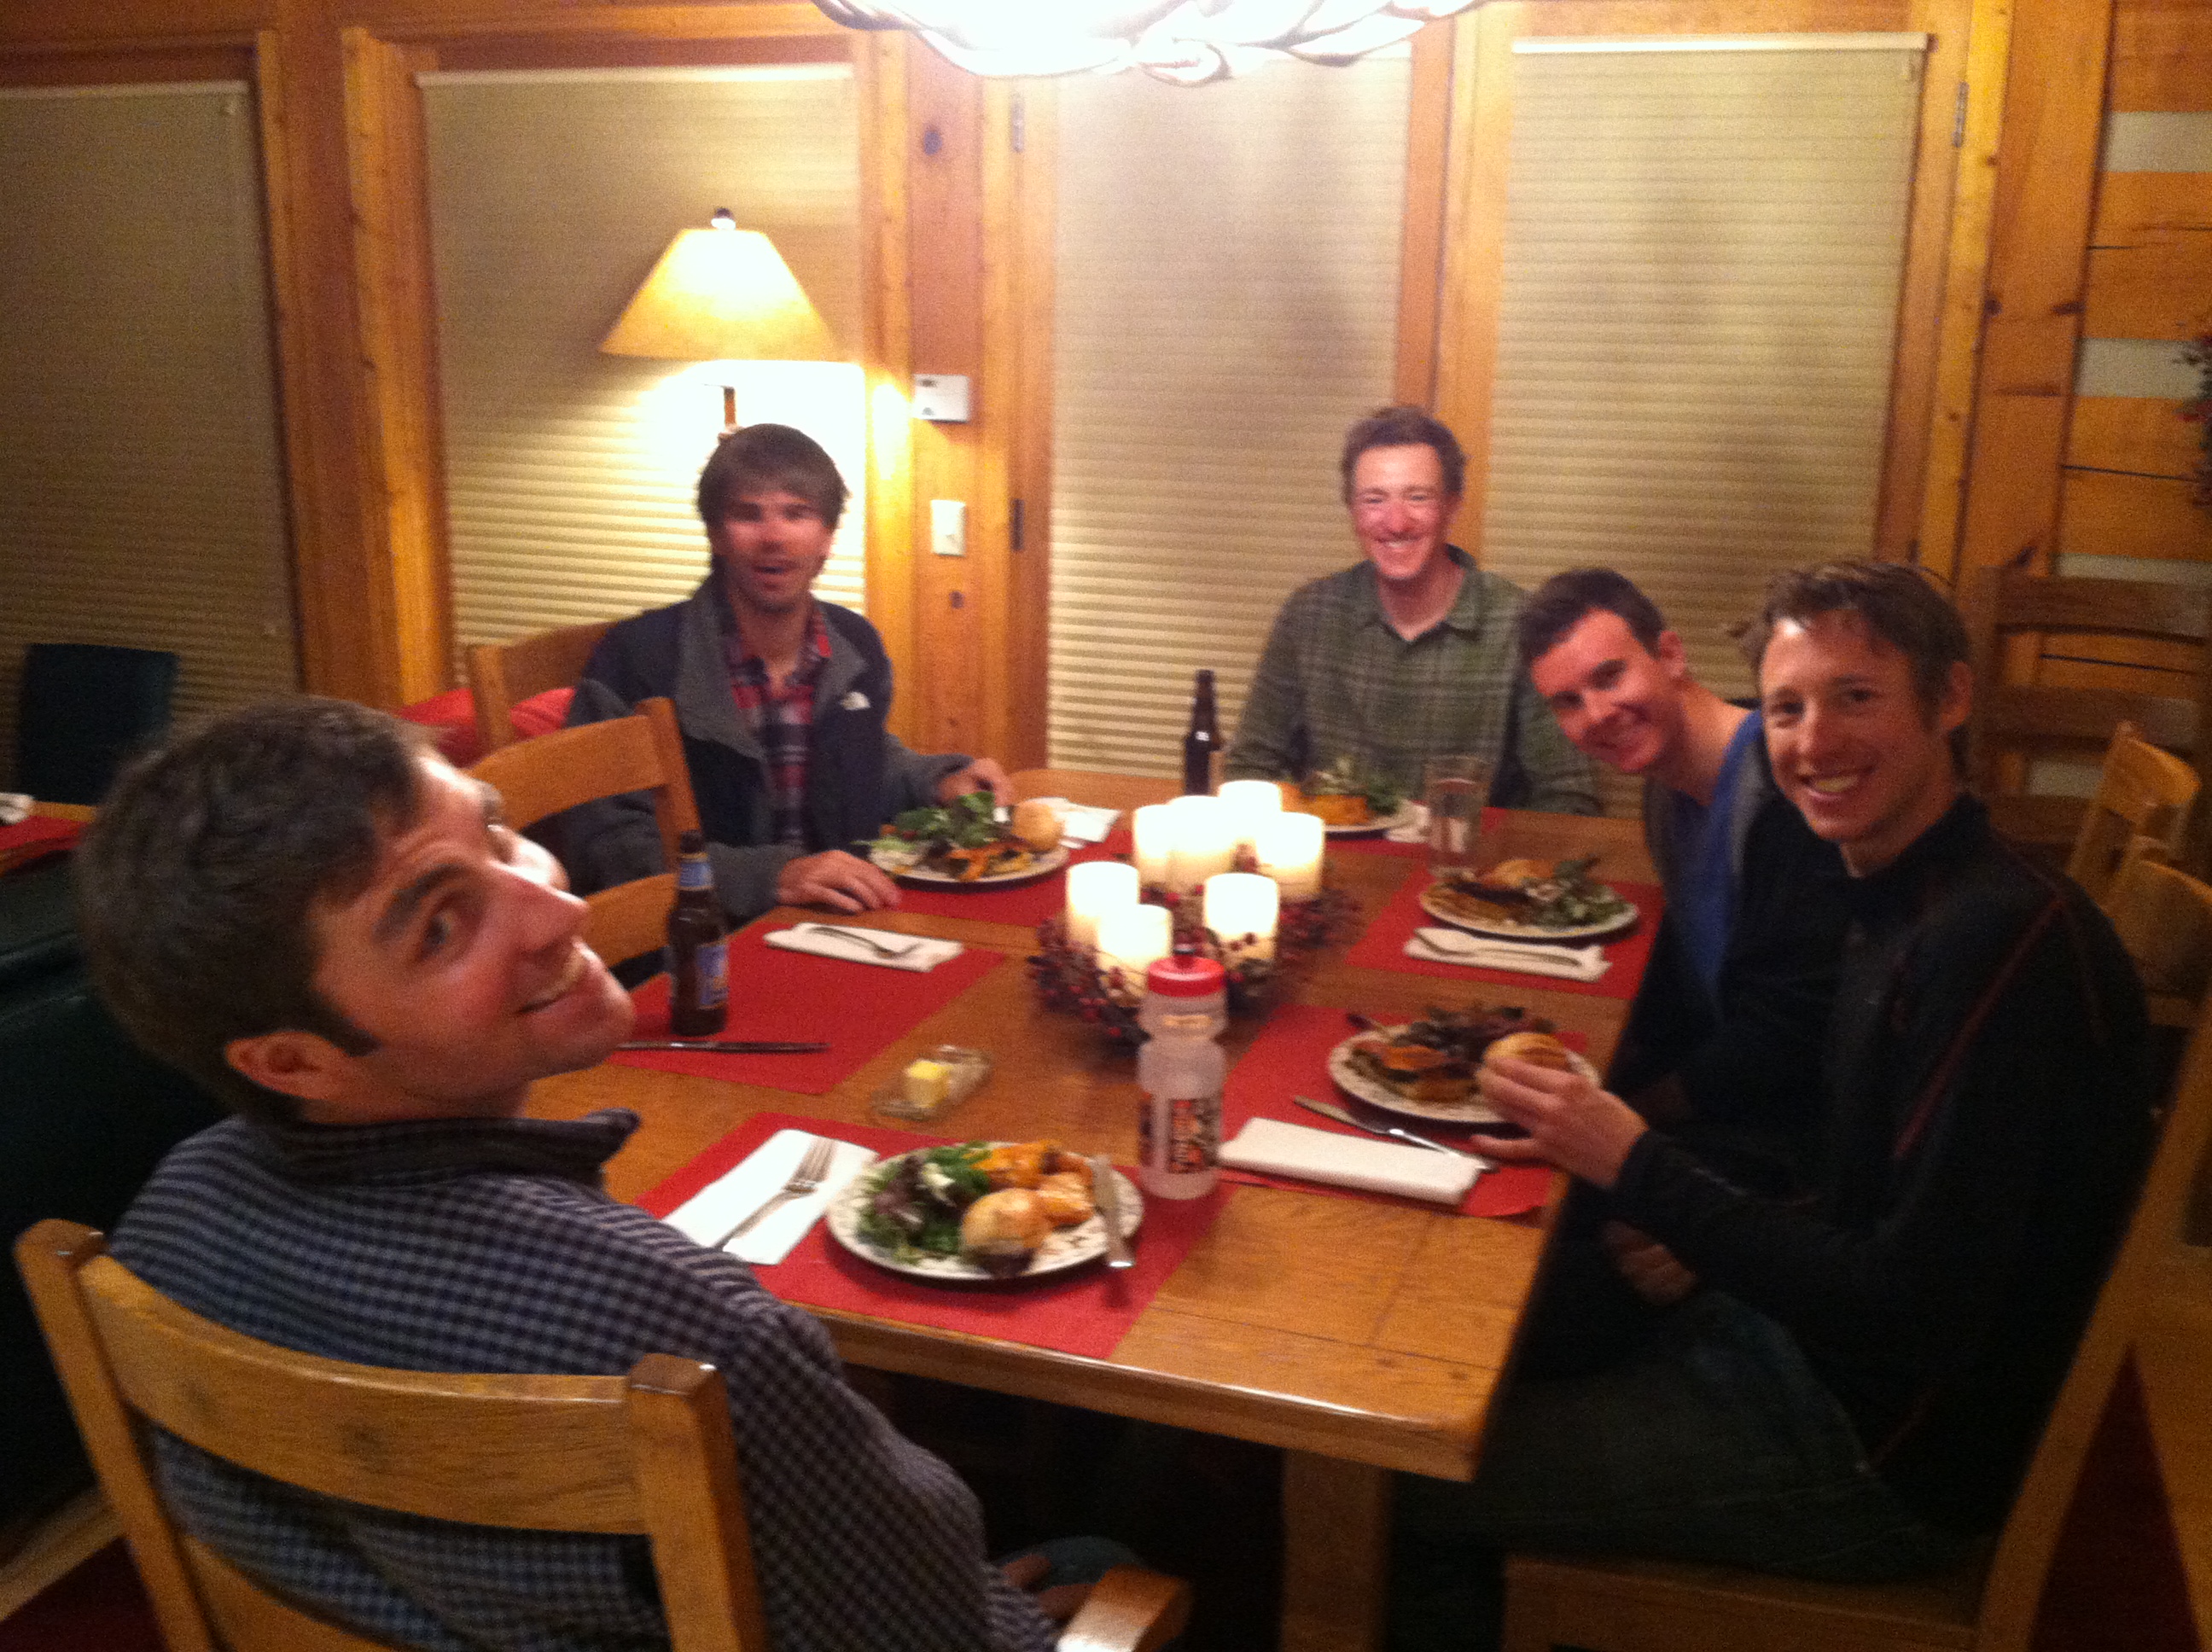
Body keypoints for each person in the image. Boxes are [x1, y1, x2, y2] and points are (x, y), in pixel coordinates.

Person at [75, 698, 1072, 1652]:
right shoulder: (694, 1339)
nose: (558, 907)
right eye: (440, 927)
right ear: (293, 1061)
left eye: (498, 834)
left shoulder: (162, 1222)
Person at [1394, 563, 2155, 1646]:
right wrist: (1704, 1219)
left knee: (1406, 1476)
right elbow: (1864, 1185)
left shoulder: (1991, 944)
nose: (1812, 741)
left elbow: (1909, 1305)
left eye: (1857, 697)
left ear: (1950, 697)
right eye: (1788, 708)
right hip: (1814, 1341)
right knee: (1507, 1339)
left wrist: (1642, 1166)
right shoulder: (1895, 891)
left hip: (1883, 1451)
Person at [562, 423, 1007, 922]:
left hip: (839, 921)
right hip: (705, 939)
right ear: (716, 535)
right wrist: (773, 876)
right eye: (747, 514)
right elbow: (604, 845)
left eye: (797, 513)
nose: (774, 537)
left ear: (827, 538)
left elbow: (857, 765)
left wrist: (939, 780)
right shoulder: (636, 660)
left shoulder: (855, 646)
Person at [1516, 567, 1848, 1172]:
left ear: (1670, 655)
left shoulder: (1784, 793)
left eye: (1609, 676)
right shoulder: (1664, 794)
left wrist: (1631, 1117)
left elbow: (1786, 1040)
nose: (1596, 714)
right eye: (1568, 702)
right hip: (1731, 1102)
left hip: (1796, 1142)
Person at [1221, 405, 1599, 813]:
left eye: (1418, 497)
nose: (1396, 522)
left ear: (1452, 506)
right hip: (1332, 848)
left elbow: (1570, 795)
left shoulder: (1519, 624)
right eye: (1374, 500)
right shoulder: (1309, 615)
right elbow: (1249, 768)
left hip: (1468, 851)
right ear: (1352, 511)